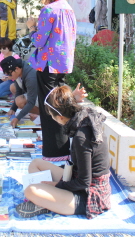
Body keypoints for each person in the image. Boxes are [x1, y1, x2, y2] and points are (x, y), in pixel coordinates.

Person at [15, 85, 111, 219]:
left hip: (89, 195)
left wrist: (56, 185)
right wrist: (73, 97)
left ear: (60, 117)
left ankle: (48, 200)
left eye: (52, 116)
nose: (52, 119)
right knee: (36, 163)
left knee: (30, 191)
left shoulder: (81, 137)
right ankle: (50, 199)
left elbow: (84, 182)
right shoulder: (83, 116)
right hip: (77, 178)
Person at [26, 0, 77, 161]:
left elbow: (39, 41)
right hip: (62, 63)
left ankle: (54, 153)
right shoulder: (68, 8)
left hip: (48, 64)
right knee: (60, 104)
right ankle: (63, 150)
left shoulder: (48, 10)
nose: (40, 0)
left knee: (49, 108)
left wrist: (31, 28)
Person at [0, 56, 39, 127]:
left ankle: (42, 113)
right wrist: (13, 109)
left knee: (20, 101)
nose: (9, 76)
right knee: (13, 87)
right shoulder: (18, 71)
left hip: (44, 97)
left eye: (9, 74)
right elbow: (18, 92)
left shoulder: (31, 77)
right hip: (34, 93)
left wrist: (18, 118)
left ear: (17, 69)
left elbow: (31, 102)